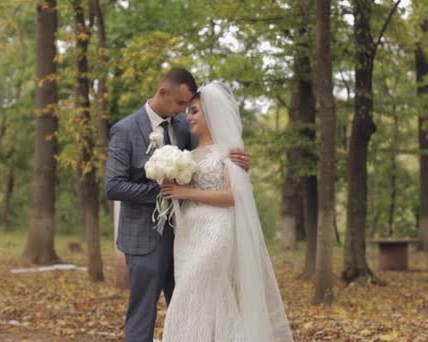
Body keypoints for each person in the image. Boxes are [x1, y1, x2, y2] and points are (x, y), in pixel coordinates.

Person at [105, 68, 250, 342]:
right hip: (144, 239)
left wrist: (240, 164)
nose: (184, 111)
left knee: (189, 310)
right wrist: (162, 192)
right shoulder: (125, 130)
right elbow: (113, 186)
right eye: (181, 103)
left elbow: (214, 153)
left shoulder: (185, 127)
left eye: (189, 106)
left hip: (189, 238)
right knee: (142, 315)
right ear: (163, 92)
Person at [160, 82, 293, 341]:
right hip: (188, 235)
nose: (189, 116)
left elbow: (234, 196)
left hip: (216, 233)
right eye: (188, 111)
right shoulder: (187, 154)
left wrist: (188, 193)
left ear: (212, 114)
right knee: (209, 296)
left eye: (195, 111)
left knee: (192, 291)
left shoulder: (229, 152)